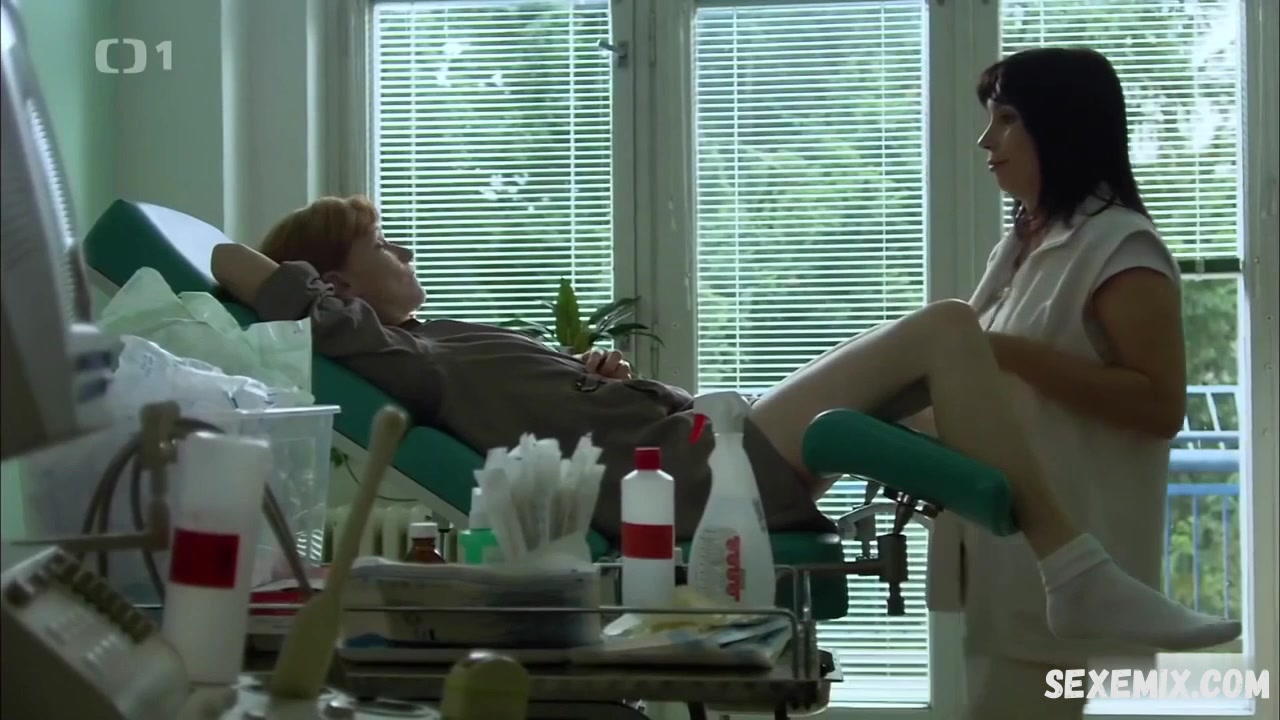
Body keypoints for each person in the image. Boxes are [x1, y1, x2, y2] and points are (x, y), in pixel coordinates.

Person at [212, 201, 1237, 656]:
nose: (405, 248)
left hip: (696, 439)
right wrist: (307, 286)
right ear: (336, 285)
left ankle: (1065, 562)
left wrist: (592, 385)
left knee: (942, 381)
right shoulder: (396, 353)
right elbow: (229, 264)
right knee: (943, 329)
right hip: (697, 471)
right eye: (382, 242)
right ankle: (1072, 570)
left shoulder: (435, 337)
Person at [914, 47, 1230, 720]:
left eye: (1006, 119)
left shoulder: (1120, 247)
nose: (986, 141)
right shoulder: (1020, 246)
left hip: (1064, 559)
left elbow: (1159, 405)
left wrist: (1006, 353)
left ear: (1059, 128)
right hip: (1000, 555)